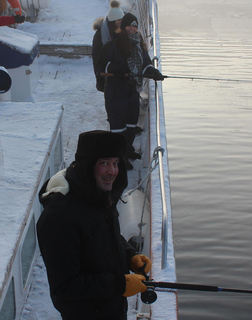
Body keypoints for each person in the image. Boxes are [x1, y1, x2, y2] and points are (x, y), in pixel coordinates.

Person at [36, 130, 152, 320]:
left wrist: (130, 255)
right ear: (87, 166)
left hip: (112, 308)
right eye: (104, 163)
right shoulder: (59, 216)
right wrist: (119, 284)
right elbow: (65, 285)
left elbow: (106, 235)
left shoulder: (98, 195)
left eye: (115, 163)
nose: (112, 171)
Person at [100, 13, 164, 166]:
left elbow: (145, 64)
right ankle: (118, 158)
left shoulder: (139, 45)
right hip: (116, 92)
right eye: (130, 25)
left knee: (130, 125)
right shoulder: (112, 45)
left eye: (135, 26)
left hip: (132, 91)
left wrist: (152, 72)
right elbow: (101, 66)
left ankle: (127, 150)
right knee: (118, 127)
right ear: (123, 27)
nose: (133, 29)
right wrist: (118, 70)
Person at [92, 0, 124, 92]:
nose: (120, 23)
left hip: (119, 75)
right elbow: (96, 58)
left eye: (122, 20)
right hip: (106, 75)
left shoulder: (122, 32)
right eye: (118, 20)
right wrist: (100, 78)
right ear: (112, 21)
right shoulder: (100, 36)